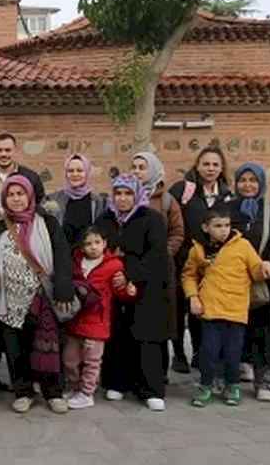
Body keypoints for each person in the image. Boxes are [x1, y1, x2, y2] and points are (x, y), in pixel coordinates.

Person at [0, 176, 74, 414]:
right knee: (16, 348)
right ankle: (24, 390)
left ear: (29, 196)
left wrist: (63, 287)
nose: (16, 199)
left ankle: (53, 391)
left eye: (21, 194)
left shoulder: (47, 222)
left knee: (49, 345)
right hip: (10, 300)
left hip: (42, 297)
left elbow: (62, 254)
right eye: (11, 194)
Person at [183, 207, 270, 407]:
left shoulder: (243, 246)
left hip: (236, 310)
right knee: (208, 351)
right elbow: (189, 275)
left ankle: (232, 385)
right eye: (217, 226)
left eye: (226, 225)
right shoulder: (198, 249)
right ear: (205, 227)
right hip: (210, 309)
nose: (223, 230)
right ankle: (206, 385)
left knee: (234, 353)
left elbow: (256, 270)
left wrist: (265, 268)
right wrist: (193, 297)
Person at [95, 175, 170, 412]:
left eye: (128, 193)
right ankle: (118, 381)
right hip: (113, 286)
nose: (123, 198)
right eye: (118, 193)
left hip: (147, 287)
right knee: (117, 334)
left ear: (136, 195)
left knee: (146, 336)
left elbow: (156, 253)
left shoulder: (152, 219)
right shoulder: (105, 219)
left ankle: (150, 389)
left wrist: (130, 274)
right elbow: (97, 248)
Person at [169, 146, 236, 374]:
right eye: (206, 164)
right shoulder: (183, 190)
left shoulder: (227, 195)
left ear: (221, 168)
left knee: (202, 307)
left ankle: (200, 352)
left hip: (211, 262)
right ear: (197, 165)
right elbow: (171, 219)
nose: (210, 168)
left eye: (215, 164)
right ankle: (178, 354)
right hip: (182, 259)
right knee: (179, 308)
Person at [230, 163, 270, 402]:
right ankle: (235, 372)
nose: (247, 185)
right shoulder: (227, 208)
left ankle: (267, 378)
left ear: (262, 183)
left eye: (253, 180)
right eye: (243, 180)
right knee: (235, 327)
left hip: (265, 281)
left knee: (266, 328)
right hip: (234, 280)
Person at [63, 226, 132, 410]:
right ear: (81, 247)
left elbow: (120, 292)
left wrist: (128, 290)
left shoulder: (114, 265)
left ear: (104, 243)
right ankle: (73, 387)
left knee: (92, 360)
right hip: (75, 319)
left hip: (97, 322)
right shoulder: (75, 263)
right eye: (88, 243)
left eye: (97, 242)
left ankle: (87, 393)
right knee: (70, 359)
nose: (93, 247)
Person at [131, 151, 185, 374]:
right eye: (134, 167)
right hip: (134, 267)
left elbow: (177, 232)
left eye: (142, 167)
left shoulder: (166, 200)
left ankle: (158, 375)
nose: (137, 172)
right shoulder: (125, 195)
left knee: (158, 323)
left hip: (160, 271)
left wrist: (163, 254)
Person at [45, 154, 107, 247]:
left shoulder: (98, 202)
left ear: (87, 172)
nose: (75, 174)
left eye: (80, 170)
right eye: (70, 171)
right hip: (62, 256)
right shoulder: (54, 200)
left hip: (88, 257)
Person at [0, 133, 45, 202]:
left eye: (8, 150)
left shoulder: (31, 178)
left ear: (15, 151)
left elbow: (41, 205)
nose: (3, 154)